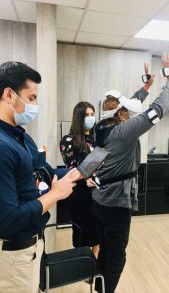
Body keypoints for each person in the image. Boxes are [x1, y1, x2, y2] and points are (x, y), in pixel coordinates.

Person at [93, 53, 169, 293]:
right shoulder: (123, 132)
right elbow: (157, 110)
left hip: (100, 200)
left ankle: (99, 286)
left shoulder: (103, 128)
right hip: (116, 206)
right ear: (121, 115)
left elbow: (130, 103)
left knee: (107, 249)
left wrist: (146, 87)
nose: (130, 115)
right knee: (117, 255)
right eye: (127, 113)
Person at [0, 61, 83, 293]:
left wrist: (83, 170)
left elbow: (46, 172)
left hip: (33, 244)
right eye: (32, 97)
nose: (35, 105)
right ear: (9, 94)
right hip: (14, 254)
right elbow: (8, 220)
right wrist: (55, 195)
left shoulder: (21, 138)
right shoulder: (2, 146)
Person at [60, 102, 100, 257]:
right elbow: (72, 167)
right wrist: (87, 176)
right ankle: (81, 261)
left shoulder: (95, 138)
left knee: (96, 226)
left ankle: (95, 258)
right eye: (86, 115)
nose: (90, 118)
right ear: (79, 118)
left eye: (92, 114)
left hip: (96, 190)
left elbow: (101, 163)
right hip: (79, 191)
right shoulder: (68, 140)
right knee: (81, 227)